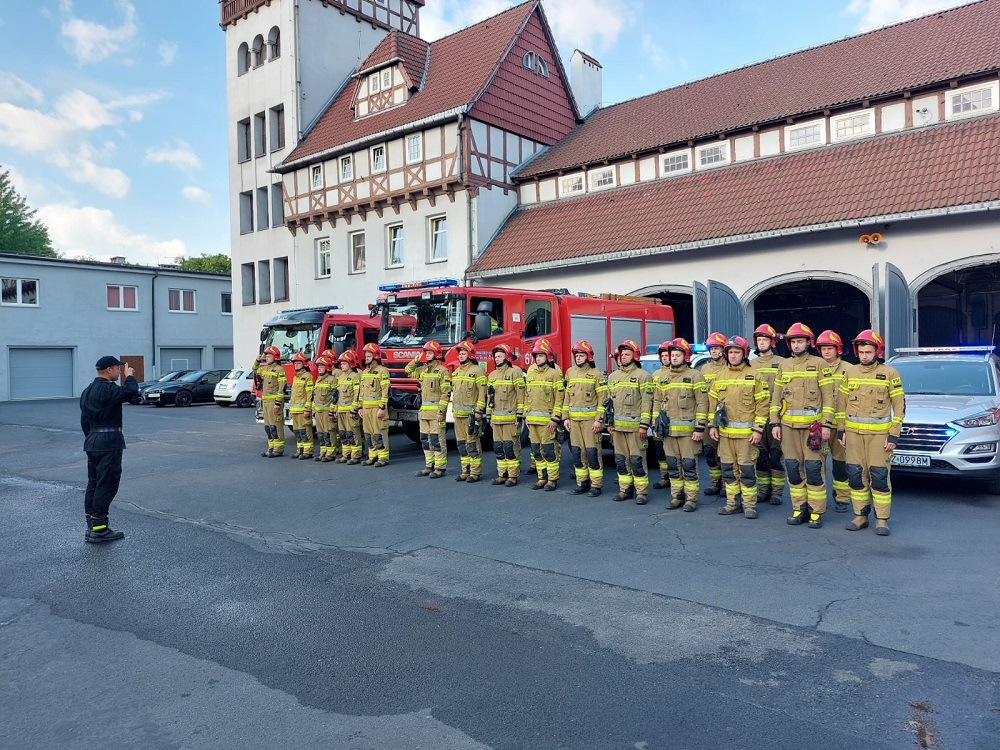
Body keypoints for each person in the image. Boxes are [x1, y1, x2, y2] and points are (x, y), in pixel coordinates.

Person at [837, 330, 906, 536]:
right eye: (861, 352)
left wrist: (894, 434)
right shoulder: (849, 373)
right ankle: (860, 516)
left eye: (868, 352)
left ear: (877, 351)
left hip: (879, 437)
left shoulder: (890, 373)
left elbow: (899, 406)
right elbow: (841, 404)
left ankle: (882, 519)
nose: (864, 356)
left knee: (879, 477)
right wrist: (841, 431)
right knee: (856, 476)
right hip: (853, 435)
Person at [770, 323, 836, 528]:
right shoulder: (784, 366)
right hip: (788, 428)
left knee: (814, 469)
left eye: (800, 341)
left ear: (809, 342)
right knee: (793, 469)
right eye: (793, 342)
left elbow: (829, 398)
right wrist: (774, 423)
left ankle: (816, 512)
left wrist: (826, 424)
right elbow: (776, 398)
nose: (796, 345)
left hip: (812, 429)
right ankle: (799, 509)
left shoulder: (820, 364)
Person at [707, 337, 769, 518]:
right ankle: (732, 503)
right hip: (725, 436)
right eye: (730, 352)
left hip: (746, 436)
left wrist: (758, 429)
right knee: (728, 471)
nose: (733, 356)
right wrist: (712, 426)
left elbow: (763, 405)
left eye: (737, 352)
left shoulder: (755, 375)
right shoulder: (720, 376)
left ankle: (749, 505)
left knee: (747, 471)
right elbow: (713, 404)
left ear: (744, 353)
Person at [80, 356, 139, 542]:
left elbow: (84, 421)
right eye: (118, 368)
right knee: (107, 483)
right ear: (109, 370)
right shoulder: (108, 389)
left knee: (94, 482)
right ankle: (100, 528)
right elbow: (131, 391)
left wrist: (92, 438)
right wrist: (130, 377)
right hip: (109, 442)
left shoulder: (87, 391)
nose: (120, 371)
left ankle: (92, 526)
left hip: (93, 441)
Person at [652, 338, 708, 511]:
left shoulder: (695, 376)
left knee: (689, 466)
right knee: (673, 466)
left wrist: (700, 428)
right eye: (672, 355)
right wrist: (655, 425)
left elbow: (702, 403)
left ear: (686, 356)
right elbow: (657, 402)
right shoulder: (663, 377)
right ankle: (677, 497)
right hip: (668, 433)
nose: (674, 358)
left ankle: (691, 499)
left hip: (688, 433)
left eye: (678, 355)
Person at [607, 340, 654, 504]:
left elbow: (647, 403)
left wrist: (644, 425)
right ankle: (625, 490)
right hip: (618, 428)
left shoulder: (644, 376)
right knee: (621, 460)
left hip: (635, 429)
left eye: (627, 354)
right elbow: (609, 403)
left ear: (635, 356)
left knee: (637, 460)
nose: (623, 357)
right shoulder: (613, 377)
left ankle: (641, 492)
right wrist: (609, 423)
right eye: (622, 355)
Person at [561, 340, 608, 496]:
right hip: (574, 422)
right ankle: (582, 483)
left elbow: (602, 399)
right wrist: (565, 418)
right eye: (576, 355)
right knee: (577, 453)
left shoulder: (597, 374)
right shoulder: (570, 372)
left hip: (590, 422)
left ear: (588, 356)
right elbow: (567, 397)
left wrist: (598, 420)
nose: (578, 358)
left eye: (581, 355)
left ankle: (596, 485)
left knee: (592, 453)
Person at [750, 324, 787, 505]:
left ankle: (777, 493)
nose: (761, 343)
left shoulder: (783, 363)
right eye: (759, 340)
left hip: (776, 417)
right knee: (761, 456)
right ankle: (763, 490)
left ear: (772, 342)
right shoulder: (750, 364)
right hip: (757, 416)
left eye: (765, 339)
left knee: (776, 455)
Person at [816, 330, 852, 513]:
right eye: (823, 348)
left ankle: (842, 498)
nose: (826, 351)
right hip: (818, 426)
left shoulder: (849, 369)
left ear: (838, 349)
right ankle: (817, 501)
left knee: (840, 464)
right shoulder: (814, 367)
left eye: (830, 348)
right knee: (816, 464)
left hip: (840, 426)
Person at [407, 341, 453, 478]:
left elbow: (445, 393)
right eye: (426, 353)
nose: (427, 355)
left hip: (436, 414)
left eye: (430, 353)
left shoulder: (442, 371)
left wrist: (441, 412)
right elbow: (408, 371)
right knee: (425, 440)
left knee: (437, 440)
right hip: (424, 413)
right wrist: (415, 362)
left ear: (436, 354)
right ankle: (429, 466)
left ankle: (439, 468)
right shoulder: (422, 370)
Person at [524, 339, 565, 491]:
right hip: (532, 421)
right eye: (536, 356)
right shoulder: (530, 372)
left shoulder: (554, 374)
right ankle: (542, 478)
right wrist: (526, 416)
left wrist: (555, 418)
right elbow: (527, 396)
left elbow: (559, 398)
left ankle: (552, 480)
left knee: (549, 451)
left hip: (548, 422)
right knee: (536, 452)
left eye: (541, 356)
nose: (538, 358)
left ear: (547, 357)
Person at [486, 343, 526, 487]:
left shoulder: (515, 372)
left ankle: (513, 476)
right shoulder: (492, 375)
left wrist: (519, 416)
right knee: (498, 448)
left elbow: (521, 396)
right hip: (496, 420)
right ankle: (502, 475)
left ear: (507, 356)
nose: (496, 359)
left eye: (499, 356)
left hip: (510, 419)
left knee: (510, 448)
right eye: (495, 356)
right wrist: (489, 416)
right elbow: (489, 398)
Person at [451, 340, 488, 483]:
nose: (460, 356)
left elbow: (482, 393)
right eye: (460, 354)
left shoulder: (477, 371)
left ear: (470, 354)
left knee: (472, 444)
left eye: (463, 353)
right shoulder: (457, 371)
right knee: (461, 444)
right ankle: (465, 471)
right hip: (458, 415)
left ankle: (475, 472)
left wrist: (479, 411)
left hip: (471, 415)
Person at [700, 332, 729, 496]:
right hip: (708, 417)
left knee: (724, 454)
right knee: (710, 452)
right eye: (711, 348)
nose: (713, 351)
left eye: (717, 348)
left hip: (725, 417)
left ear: (723, 350)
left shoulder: (729, 367)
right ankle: (715, 483)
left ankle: (726, 484)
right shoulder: (704, 368)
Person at [360, 343, 391, 466]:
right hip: (366, 408)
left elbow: (385, 390)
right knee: (368, 434)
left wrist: (382, 407)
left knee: (379, 434)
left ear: (375, 356)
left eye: (369, 356)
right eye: (366, 356)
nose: (366, 358)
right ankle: (372, 456)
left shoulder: (383, 371)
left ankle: (383, 458)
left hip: (377, 408)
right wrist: (360, 407)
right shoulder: (364, 372)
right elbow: (361, 391)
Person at [252, 346, 286, 457]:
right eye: (266, 356)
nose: (266, 358)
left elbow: (282, 388)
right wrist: (258, 360)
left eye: (269, 356)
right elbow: (254, 369)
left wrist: (278, 403)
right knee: (268, 427)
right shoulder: (265, 369)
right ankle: (271, 448)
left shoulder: (280, 370)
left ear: (275, 357)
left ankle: (278, 449)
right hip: (266, 402)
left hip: (274, 403)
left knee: (276, 426)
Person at [336, 350, 364, 464]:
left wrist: (354, 409)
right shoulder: (340, 377)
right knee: (343, 433)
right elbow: (338, 395)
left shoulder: (355, 376)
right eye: (341, 364)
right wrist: (336, 409)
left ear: (350, 364)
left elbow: (357, 394)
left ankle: (356, 455)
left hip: (350, 411)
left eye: (344, 363)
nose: (341, 366)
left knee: (353, 433)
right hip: (341, 410)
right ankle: (345, 454)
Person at [311, 355, 340, 462]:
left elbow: (335, 398)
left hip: (327, 412)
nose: (319, 368)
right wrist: (314, 411)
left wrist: (332, 411)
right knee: (321, 434)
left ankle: (330, 453)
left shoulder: (332, 380)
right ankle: (323, 452)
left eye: (321, 366)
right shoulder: (318, 380)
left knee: (329, 433)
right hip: (318, 412)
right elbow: (315, 397)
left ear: (327, 367)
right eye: (318, 366)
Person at [288, 352, 316, 460]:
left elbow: (309, 395)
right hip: (295, 411)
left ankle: (308, 452)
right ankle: (300, 451)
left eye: (298, 363)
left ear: (304, 364)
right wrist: (291, 409)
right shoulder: (296, 377)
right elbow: (293, 395)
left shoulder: (308, 377)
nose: (296, 365)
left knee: (305, 432)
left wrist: (307, 409)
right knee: (297, 432)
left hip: (303, 411)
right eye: (295, 363)